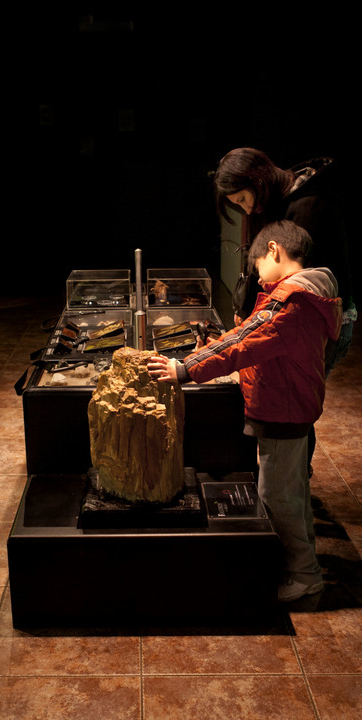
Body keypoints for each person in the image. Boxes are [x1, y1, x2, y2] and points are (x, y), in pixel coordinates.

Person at [148, 220, 342, 602]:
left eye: (257, 267)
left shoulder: (291, 302)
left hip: (282, 410)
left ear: (274, 250)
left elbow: (243, 343)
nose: (258, 276)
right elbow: (248, 336)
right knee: (294, 493)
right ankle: (304, 563)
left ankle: (303, 576)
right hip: (291, 407)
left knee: (279, 497)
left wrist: (185, 368)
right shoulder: (309, 294)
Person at [214, 147, 356, 371]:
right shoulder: (268, 201)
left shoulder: (310, 207)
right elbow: (255, 258)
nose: (246, 210)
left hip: (319, 321)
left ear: (257, 180)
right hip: (293, 318)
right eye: (237, 204)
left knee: (299, 395)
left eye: (242, 199)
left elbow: (304, 288)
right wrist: (245, 308)